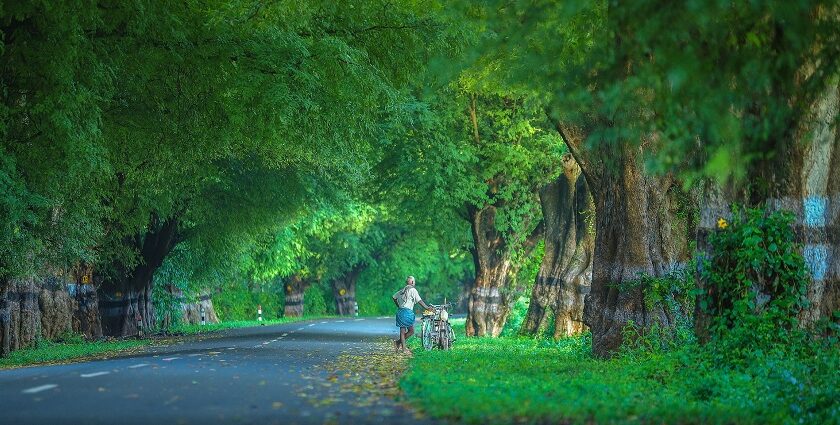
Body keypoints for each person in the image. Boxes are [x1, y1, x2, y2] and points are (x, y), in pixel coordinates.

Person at [392, 276, 434, 356]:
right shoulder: (413, 290)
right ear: (412, 282)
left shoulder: (402, 291)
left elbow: (394, 297)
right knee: (404, 331)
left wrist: (398, 305)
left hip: (401, 312)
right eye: (414, 281)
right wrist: (427, 308)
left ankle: (398, 342)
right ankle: (404, 349)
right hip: (407, 312)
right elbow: (419, 301)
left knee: (410, 331)